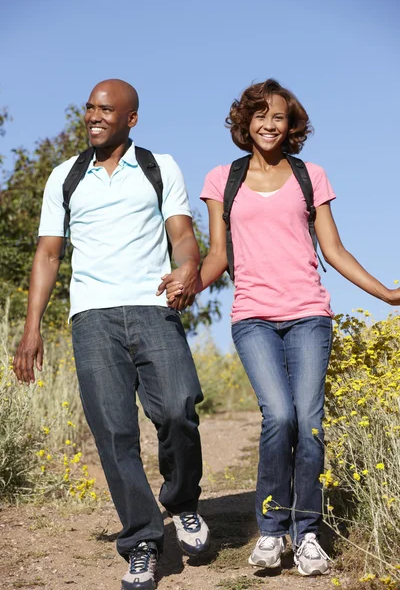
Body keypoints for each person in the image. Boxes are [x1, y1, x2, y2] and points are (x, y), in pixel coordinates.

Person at [159, 79, 400, 577]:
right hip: (254, 317)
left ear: (292, 126)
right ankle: (271, 533)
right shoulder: (222, 179)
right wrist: (187, 289)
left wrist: (387, 293)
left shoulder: (311, 175)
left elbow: (333, 250)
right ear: (244, 122)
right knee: (280, 417)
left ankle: (306, 533)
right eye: (260, 115)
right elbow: (219, 255)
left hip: (309, 313)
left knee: (309, 422)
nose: (269, 124)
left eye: (280, 118)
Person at [13, 78, 210, 590]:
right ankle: (142, 541)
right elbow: (48, 253)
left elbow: (183, 236)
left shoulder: (158, 167)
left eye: (105, 110)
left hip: (152, 307)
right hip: (92, 317)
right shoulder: (65, 177)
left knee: (178, 408)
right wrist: (31, 328)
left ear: (131, 118)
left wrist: (188, 269)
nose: (94, 117)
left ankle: (183, 501)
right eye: (89, 109)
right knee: (114, 432)